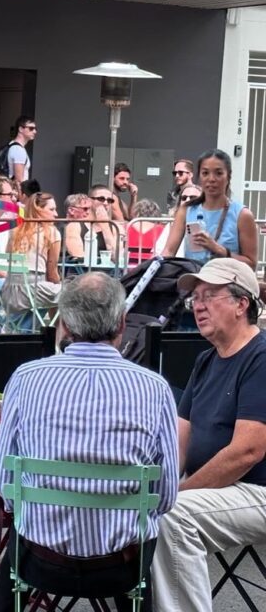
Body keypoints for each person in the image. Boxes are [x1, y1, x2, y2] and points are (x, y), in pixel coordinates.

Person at [0, 272, 179, 612]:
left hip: (40, 559)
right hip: (122, 567)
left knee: (13, 556)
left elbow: (7, 486)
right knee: (142, 539)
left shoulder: (26, 378)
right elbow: (165, 497)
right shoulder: (155, 388)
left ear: (63, 322)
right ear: (122, 322)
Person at [152, 258, 266, 611]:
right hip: (218, 491)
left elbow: (247, 452)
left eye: (209, 295)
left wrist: (177, 492)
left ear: (241, 303)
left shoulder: (261, 357)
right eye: (194, 298)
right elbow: (177, 442)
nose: (197, 305)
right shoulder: (206, 360)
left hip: (258, 490)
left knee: (172, 514)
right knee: (138, 502)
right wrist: (152, 483)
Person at [161, 148, 257, 269]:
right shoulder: (186, 210)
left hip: (227, 282)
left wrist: (219, 250)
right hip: (194, 281)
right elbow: (169, 251)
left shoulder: (242, 215)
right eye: (205, 173)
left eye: (218, 173)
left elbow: (251, 263)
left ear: (228, 176)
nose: (211, 179)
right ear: (199, 177)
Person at [1, 191, 61, 314]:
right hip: (32, 291)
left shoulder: (15, 230)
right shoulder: (52, 233)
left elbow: (8, 257)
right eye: (52, 209)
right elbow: (52, 273)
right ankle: (55, 329)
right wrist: (59, 285)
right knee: (73, 294)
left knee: (54, 292)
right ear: (38, 210)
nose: (56, 214)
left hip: (8, 292)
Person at [126, 199, 165, 266]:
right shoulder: (163, 230)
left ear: (135, 212)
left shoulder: (125, 227)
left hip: (127, 266)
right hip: (151, 267)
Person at [62, 192, 92, 265]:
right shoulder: (73, 225)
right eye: (85, 209)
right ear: (71, 210)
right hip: (74, 271)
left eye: (89, 209)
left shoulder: (82, 225)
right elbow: (77, 255)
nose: (88, 212)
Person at [7, 115, 36, 183]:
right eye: (31, 128)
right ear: (20, 129)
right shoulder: (18, 150)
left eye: (35, 129)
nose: (34, 131)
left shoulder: (12, 145)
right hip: (16, 192)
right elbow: (19, 180)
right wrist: (21, 193)